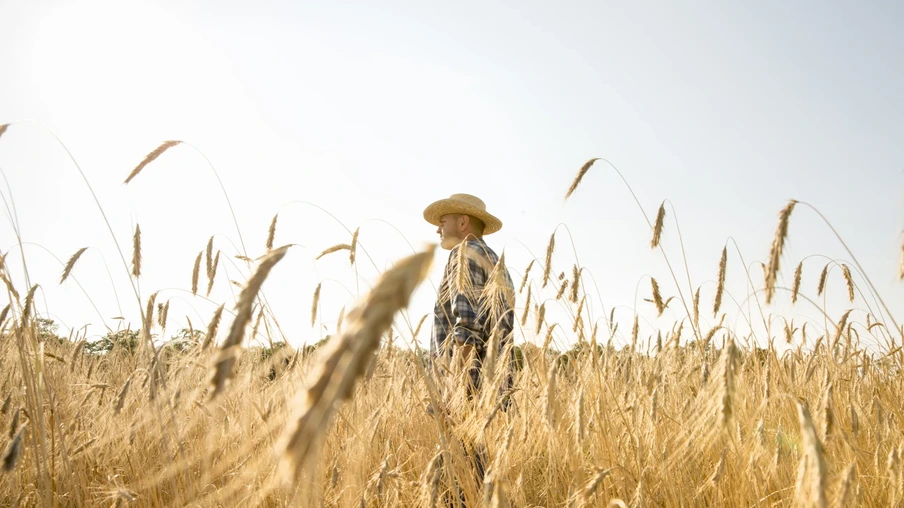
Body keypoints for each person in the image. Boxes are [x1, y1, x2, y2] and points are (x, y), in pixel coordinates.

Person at [423, 193, 515, 404]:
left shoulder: (464, 254)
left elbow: (466, 324)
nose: (438, 229)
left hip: (466, 389)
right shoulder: (493, 258)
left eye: (443, 222)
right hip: (491, 388)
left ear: (463, 222)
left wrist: (455, 390)